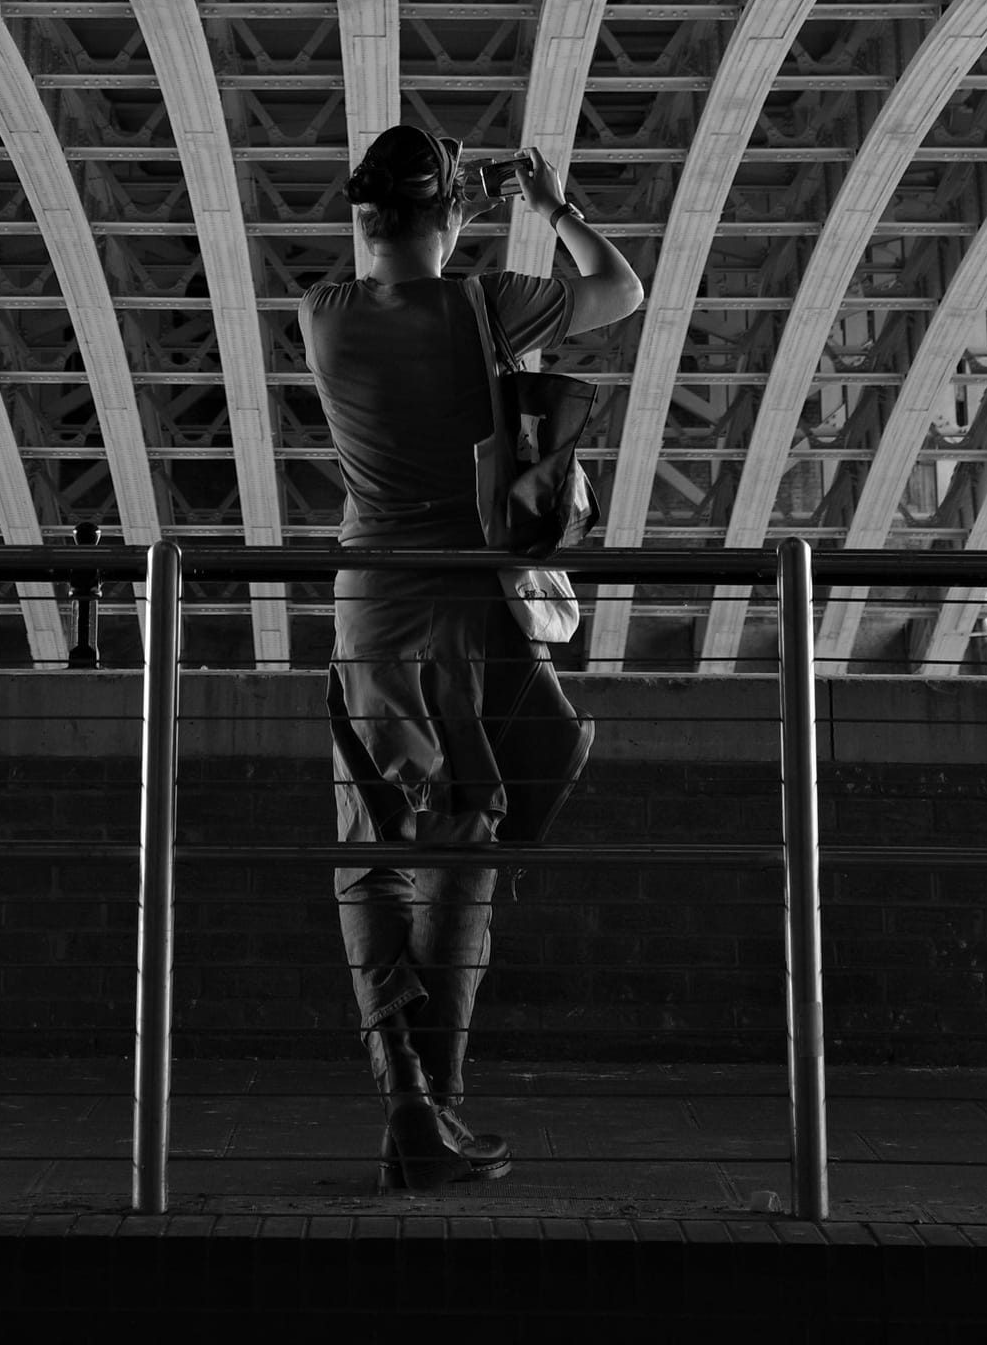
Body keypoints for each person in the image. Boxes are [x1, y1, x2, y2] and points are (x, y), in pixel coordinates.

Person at [298, 126, 645, 1192]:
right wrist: (543, 203)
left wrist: (444, 213)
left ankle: (400, 1093)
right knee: (461, 857)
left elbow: (391, 260)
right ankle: (436, 1108)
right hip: (468, 614)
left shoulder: (321, 315)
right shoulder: (486, 305)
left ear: (360, 217)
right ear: (450, 217)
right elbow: (617, 290)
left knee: (370, 857)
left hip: (366, 615)